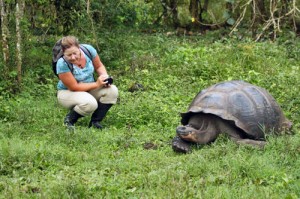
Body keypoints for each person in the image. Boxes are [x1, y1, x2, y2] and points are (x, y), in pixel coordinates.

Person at [56, 36, 118, 130]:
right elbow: (74, 87)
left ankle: (95, 122)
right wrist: (97, 84)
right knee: (90, 103)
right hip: (68, 92)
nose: (73, 57)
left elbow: (99, 66)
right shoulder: (62, 63)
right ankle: (69, 120)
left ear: (79, 47)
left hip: (89, 87)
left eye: (75, 53)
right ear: (63, 53)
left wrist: (104, 77)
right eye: (69, 55)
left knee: (112, 91)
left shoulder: (88, 50)